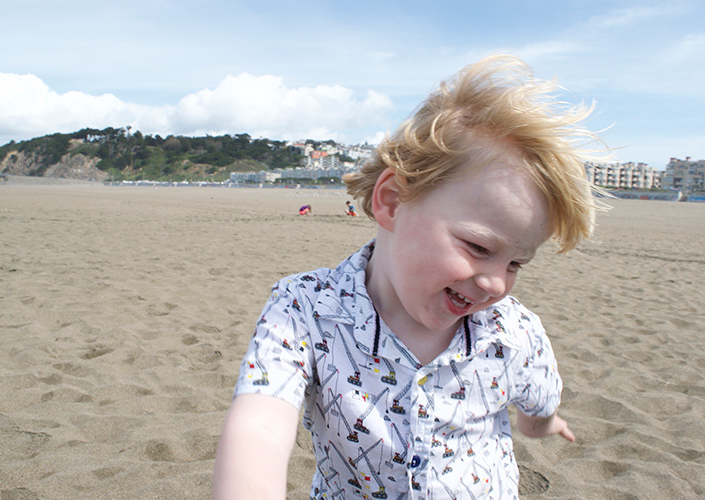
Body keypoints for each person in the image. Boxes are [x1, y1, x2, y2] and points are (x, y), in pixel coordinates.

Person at [214, 54, 607, 500]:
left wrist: (544, 424)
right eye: (479, 248)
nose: (496, 283)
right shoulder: (305, 310)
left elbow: (538, 405)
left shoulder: (515, 332)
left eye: (516, 263)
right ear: (394, 201)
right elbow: (259, 426)